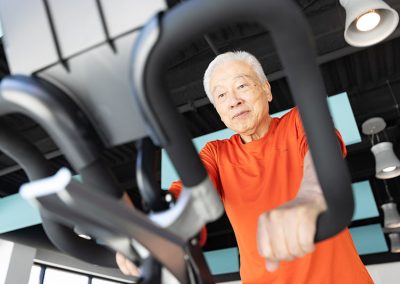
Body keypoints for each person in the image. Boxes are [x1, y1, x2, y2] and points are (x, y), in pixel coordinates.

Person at [117, 51, 373, 283]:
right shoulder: (216, 153)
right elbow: (190, 191)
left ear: (266, 90)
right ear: (218, 111)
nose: (234, 101)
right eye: (222, 95)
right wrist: (156, 228)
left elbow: (322, 151)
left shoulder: (298, 120)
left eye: (241, 85)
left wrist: (311, 194)